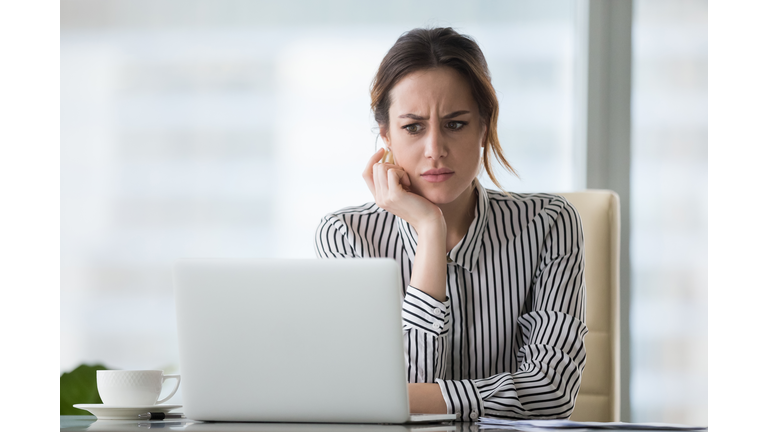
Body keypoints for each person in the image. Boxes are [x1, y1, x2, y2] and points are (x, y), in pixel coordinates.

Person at [315, 27, 587, 421]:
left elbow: (550, 393)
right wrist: (429, 231)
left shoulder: (549, 224)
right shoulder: (347, 236)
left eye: (455, 124)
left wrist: (408, 398)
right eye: (413, 127)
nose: (435, 150)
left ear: (484, 126)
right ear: (386, 135)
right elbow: (401, 396)